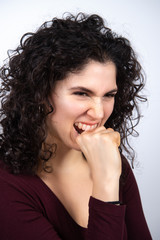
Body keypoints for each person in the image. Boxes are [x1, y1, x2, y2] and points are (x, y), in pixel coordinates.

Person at [0, 13, 152, 240]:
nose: (99, 113)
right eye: (82, 93)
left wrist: (109, 173)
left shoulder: (112, 162)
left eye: (108, 95)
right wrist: (106, 183)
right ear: (40, 94)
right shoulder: (7, 185)